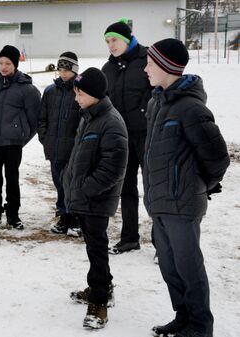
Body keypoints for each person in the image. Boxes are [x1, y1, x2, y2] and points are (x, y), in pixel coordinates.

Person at [143, 38, 229, 337]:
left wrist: (200, 184)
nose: (146, 69)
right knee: (170, 266)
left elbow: (217, 158)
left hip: (182, 204)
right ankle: (183, 317)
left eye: (151, 64)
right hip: (160, 202)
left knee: (189, 268)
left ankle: (200, 327)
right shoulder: (156, 103)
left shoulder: (191, 108)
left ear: (167, 67)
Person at [63, 67, 128, 329]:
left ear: (94, 94)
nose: (76, 97)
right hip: (85, 196)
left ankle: (99, 302)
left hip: (97, 199)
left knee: (98, 249)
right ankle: (103, 287)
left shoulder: (111, 122)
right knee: (93, 247)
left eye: (79, 93)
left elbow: (113, 167)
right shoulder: (88, 117)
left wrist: (87, 189)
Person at [102, 18, 153, 255]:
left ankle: (162, 243)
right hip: (122, 135)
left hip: (148, 134)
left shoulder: (148, 60)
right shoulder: (108, 68)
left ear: (127, 39)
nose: (110, 45)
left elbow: (158, 91)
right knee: (126, 187)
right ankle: (130, 237)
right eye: (107, 41)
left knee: (153, 188)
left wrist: (145, 113)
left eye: (114, 40)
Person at [0, 45, 41, 230]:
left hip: (13, 144)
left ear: (15, 64)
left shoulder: (27, 89)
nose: (4, 67)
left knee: (12, 178)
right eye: (1, 63)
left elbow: (35, 120)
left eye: (8, 63)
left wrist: (21, 138)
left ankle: (13, 215)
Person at [38, 51, 82, 236]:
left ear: (74, 70)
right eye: (60, 69)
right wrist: (45, 137)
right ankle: (63, 214)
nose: (63, 73)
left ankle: (76, 217)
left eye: (67, 69)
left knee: (72, 183)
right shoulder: (49, 91)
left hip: (73, 148)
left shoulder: (80, 90)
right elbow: (42, 118)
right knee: (58, 182)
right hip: (54, 147)